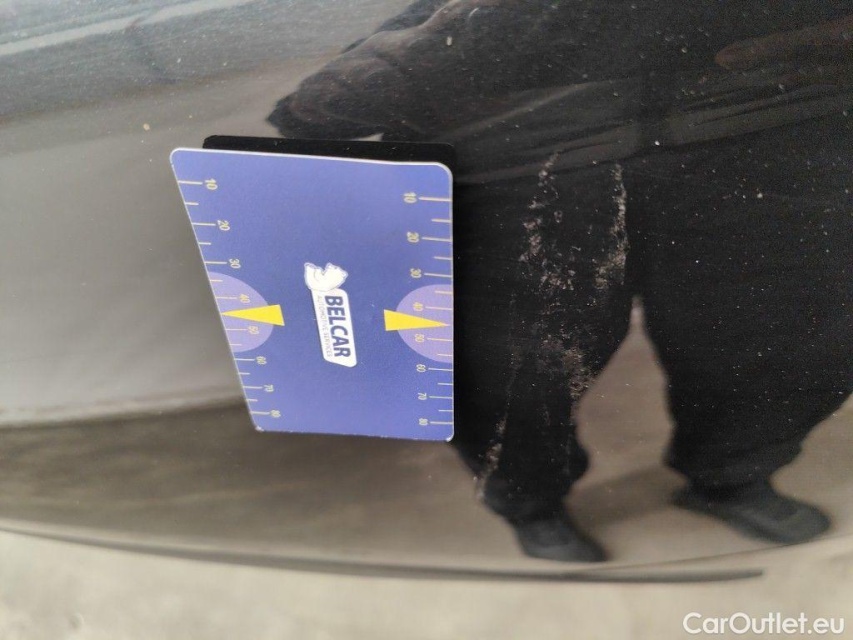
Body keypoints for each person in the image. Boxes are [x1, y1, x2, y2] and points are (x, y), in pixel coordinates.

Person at [268, 0, 853, 562]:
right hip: (517, 158)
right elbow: (312, 112)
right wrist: (465, 26)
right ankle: (530, 503)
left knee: (793, 342)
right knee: (508, 376)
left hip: (779, 126)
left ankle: (732, 476)